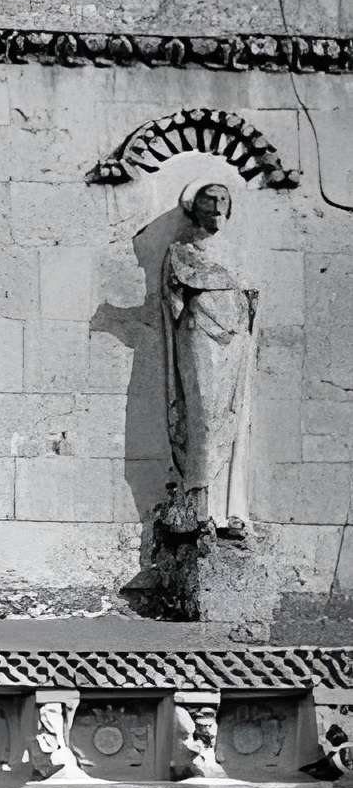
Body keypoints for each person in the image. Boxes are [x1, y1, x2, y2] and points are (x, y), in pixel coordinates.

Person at [162, 181, 259, 537]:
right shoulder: (181, 251)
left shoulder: (236, 252)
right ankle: (200, 505)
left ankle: (229, 509)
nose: (217, 205)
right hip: (200, 339)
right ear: (194, 205)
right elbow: (173, 297)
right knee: (203, 418)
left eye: (223, 198)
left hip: (234, 342)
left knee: (234, 418)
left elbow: (249, 296)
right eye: (209, 198)